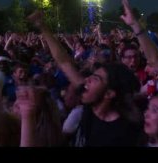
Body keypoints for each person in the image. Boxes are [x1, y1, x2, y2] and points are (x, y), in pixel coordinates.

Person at [28, 10, 143, 147]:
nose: (87, 80)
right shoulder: (93, 101)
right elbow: (64, 62)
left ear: (109, 93)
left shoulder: (120, 134)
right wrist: (42, 26)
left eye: (96, 79)